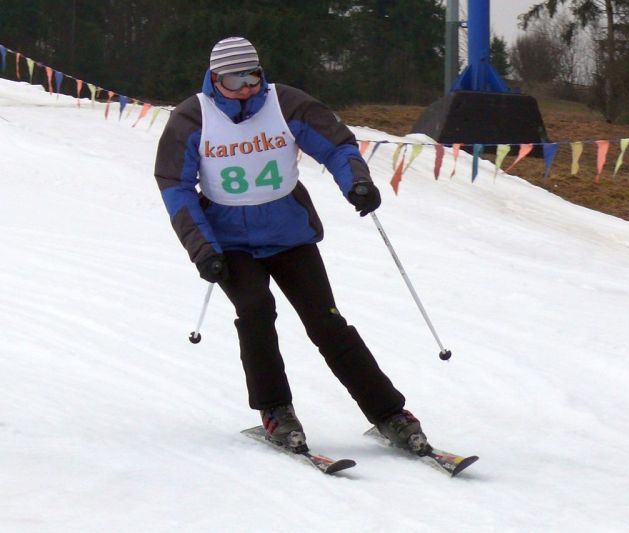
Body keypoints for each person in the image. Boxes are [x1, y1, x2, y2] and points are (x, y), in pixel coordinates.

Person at [154, 36, 428, 454]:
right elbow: (175, 186)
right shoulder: (193, 118)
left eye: (254, 76)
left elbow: (336, 145)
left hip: (289, 235)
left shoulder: (286, 103)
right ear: (215, 79)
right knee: (255, 310)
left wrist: (355, 181)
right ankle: (275, 410)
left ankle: (390, 413)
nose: (247, 87)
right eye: (236, 78)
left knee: (326, 322)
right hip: (230, 243)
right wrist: (203, 248)